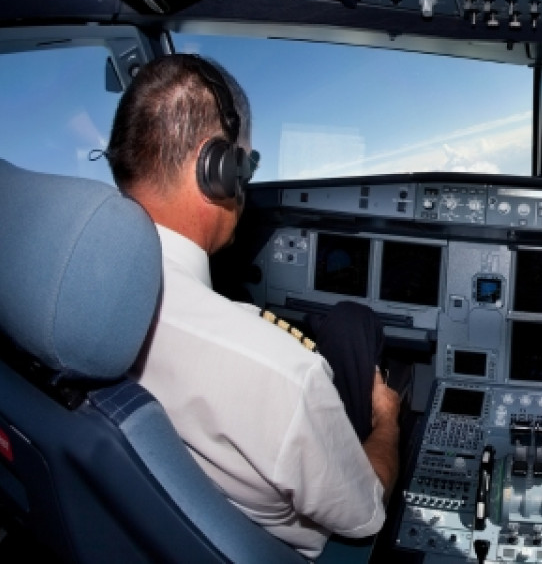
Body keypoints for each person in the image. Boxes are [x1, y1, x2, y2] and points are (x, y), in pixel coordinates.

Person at [105, 53, 400, 559]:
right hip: (273, 542)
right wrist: (387, 422)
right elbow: (365, 512)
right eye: (246, 163)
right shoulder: (284, 377)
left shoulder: (73, 301)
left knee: (346, 324)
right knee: (356, 322)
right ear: (217, 169)